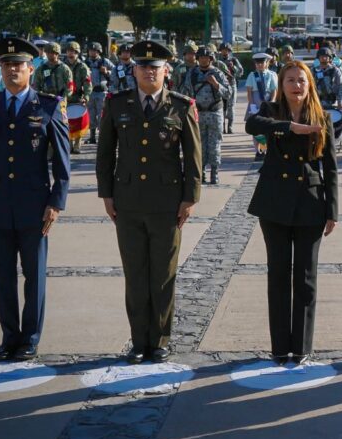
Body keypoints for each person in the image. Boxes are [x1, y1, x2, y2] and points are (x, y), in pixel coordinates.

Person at [96, 39, 201, 364]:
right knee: (136, 275)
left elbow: (194, 158)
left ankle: (160, 340)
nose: (148, 71)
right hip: (127, 203)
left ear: (166, 71)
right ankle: (139, 341)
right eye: (142, 66)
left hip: (167, 204)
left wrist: (189, 198)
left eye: (154, 67)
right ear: (134, 70)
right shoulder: (117, 104)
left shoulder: (181, 106)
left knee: (163, 276)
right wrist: (107, 194)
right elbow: (105, 154)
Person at [0, 37, 71, 361]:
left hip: (34, 205)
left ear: (30, 69)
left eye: (19, 65)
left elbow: (63, 164)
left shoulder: (49, 106)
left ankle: (30, 338)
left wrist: (56, 202)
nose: (13, 70)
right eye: (7, 64)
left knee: (34, 276)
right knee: (2, 276)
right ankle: (9, 337)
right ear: (0, 68)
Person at [246, 60, 338, 365]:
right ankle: (279, 348)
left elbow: (331, 168)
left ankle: (301, 347)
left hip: (311, 203)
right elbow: (251, 125)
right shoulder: (270, 112)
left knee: (306, 277)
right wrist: (289, 127)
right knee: (278, 274)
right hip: (274, 203)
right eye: (290, 81)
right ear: (281, 86)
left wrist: (332, 210)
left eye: (301, 80)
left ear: (309, 84)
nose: (296, 86)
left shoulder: (322, 117)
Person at [181, 46, 231, 185]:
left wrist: (216, 85)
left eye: (207, 57)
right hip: (198, 113)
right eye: (201, 57)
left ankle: (214, 173)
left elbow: (228, 93)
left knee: (215, 144)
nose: (204, 59)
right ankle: (201, 173)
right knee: (199, 145)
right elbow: (186, 93)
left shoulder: (218, 73)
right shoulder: (192, 74)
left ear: (211, 59)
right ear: (198, 58)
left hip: (215, 113)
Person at [245, 52, 279, 161]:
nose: (259, 65)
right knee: (256, 128)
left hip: (268, 103)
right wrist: (252, 105)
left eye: (262, 63)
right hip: (255, 102)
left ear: (267, 63)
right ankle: (258, 151)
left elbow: (274, 90)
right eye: (257, 63)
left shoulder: (272, 74)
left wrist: (272, 102)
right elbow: (249, 92)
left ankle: (265, 150)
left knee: (267, 128)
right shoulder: (252, 75)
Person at [63, 42, 93, 154]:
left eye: (74, 52)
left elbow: (87, 83)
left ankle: (77, 145)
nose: (71, 53)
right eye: (69, 51)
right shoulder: (62, 66)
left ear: (77, 53)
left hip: (78, 98)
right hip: (65, 98)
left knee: (79, 123)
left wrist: (86, 96)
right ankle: (69, 144)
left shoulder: (82, 67)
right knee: (67, 122)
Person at [84, 43, 114, 144]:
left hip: (102, 92)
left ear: (99, 51)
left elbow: (115, 71)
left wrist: (107, 72)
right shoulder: (85, 62)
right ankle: (92, 137)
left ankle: (102, 137)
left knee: (102, 115)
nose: (92, 52)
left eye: (95, 50)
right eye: (91, 50)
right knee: (91, 115)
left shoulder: (104, 61)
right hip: (90, 92)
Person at [218, 43, 244, 134]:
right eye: (223, 50)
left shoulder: (233, 60)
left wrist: (233, 67)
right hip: (220, 85)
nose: (225, 52)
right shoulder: (217, 60)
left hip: (231, 85)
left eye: (227, 50)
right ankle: (222, 127)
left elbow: (240, 72)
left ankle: (230, 127)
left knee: (231, 107)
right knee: (221, 107)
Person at [313, 46, 342, 112]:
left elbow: (341, 86)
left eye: (326, 56)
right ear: (318, 58)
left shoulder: (335, 70)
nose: (324, 58)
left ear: (330, 58)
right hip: (318, 102)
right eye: (321, 56)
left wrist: (340, 102)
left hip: (333, 101)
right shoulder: (314, 70)